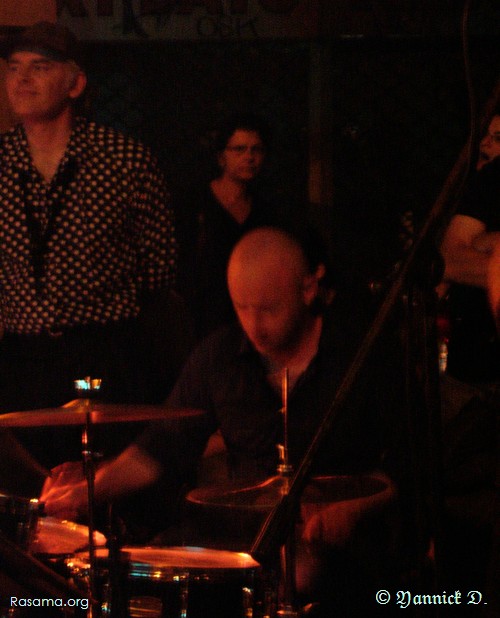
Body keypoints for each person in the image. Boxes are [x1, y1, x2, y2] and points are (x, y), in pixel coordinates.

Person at [42, 226, 404, 616]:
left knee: (306, 575)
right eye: (242, 308)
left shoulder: (362, 357)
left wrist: (354, 509)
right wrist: (87, 491)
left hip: (342, 554)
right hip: (242, 541)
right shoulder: (219, 357)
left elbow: (406, 469)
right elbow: (159, 449)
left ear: (309, 289)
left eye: (268, 309)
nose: (254, 324)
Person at [0, 22, 177, 471]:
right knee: (33, 496)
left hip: (107, 353)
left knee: (103, 486)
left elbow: (158, 272)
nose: (21, 79)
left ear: (75, 83)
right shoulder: (2, 162)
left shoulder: (123, 159)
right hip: (21, 359)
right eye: (14, 67)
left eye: (40, 67)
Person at [438, 124, 500, 616]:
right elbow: (451, 258)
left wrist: (492, 244)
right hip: (476, 377)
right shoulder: (493, 180)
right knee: (459, 502)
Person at [176, 114, 283, 339]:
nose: (249, 157)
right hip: (203, 317)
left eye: (256, 150)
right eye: (239, 149)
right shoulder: (196, 204)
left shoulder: (266, 211)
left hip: (249, 316)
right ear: (221, 157)